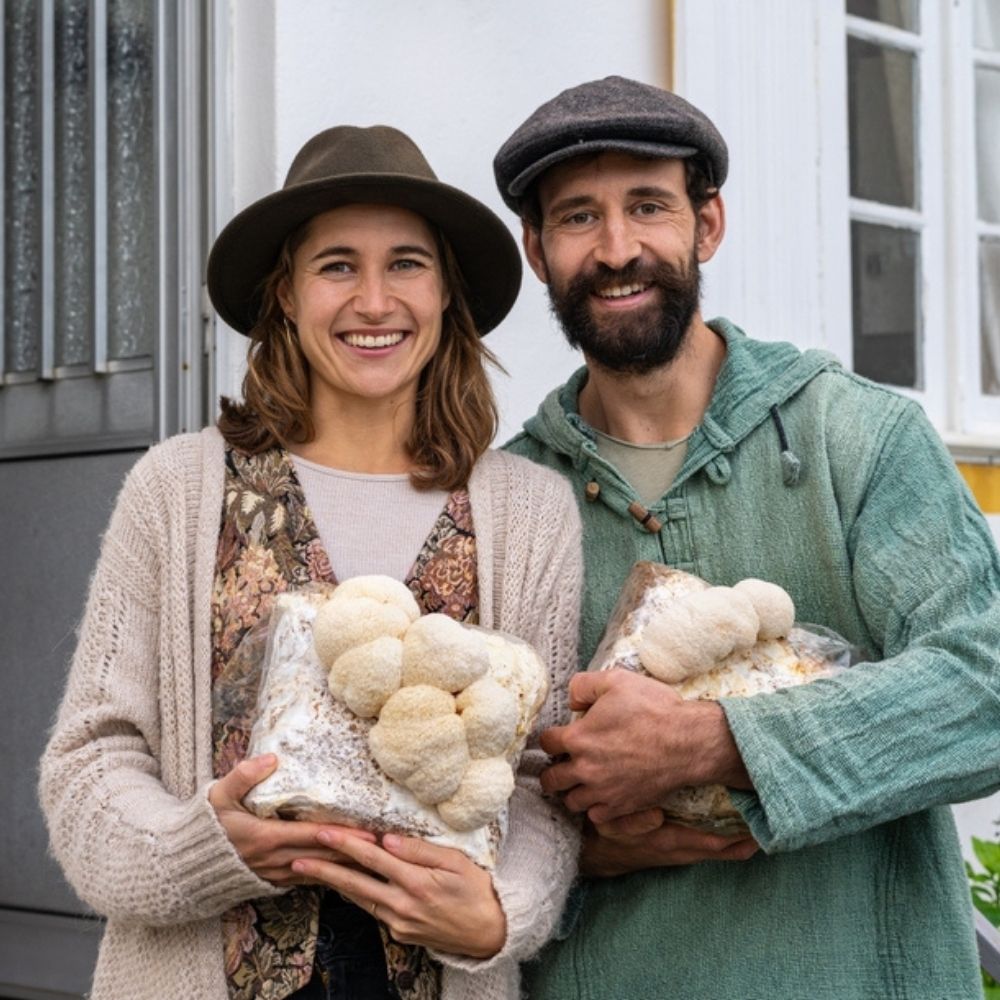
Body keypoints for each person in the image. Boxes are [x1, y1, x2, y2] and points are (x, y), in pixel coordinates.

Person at [39, 124, 583, 1000]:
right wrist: (201, 848)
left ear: (447, 293)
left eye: (406, 263)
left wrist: (499, 915)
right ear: (286, 294)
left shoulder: (528, 511)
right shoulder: (179, 488)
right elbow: (92, 761)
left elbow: (537, 780)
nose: (374, 300)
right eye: (337, 265)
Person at [492, 75, 1000, 999]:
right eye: (577, 218)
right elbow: (474, 810)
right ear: (537, 250)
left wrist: (709, 744)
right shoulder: (508, 502)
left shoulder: (857, 437)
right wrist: (583, 849)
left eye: (649, 205)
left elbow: (985, 687)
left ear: (708, 224)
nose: (617, 249)